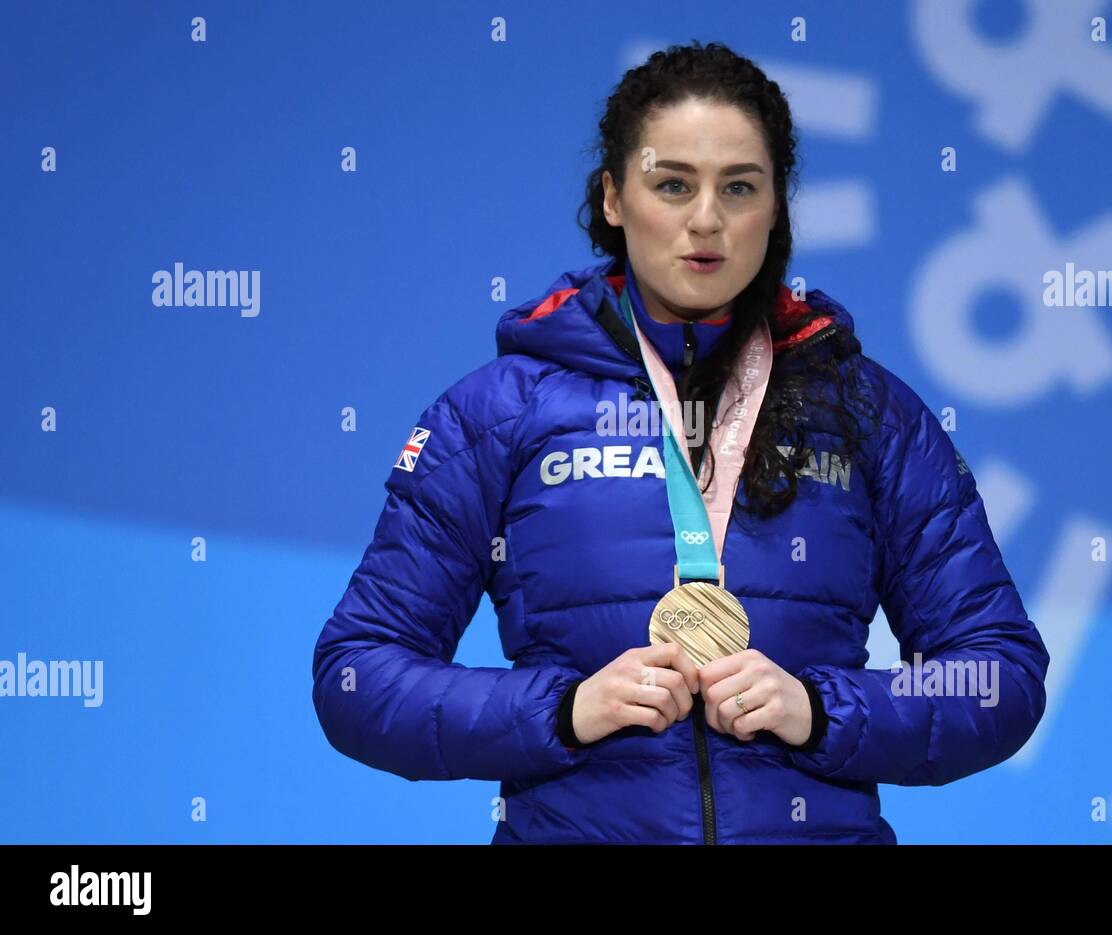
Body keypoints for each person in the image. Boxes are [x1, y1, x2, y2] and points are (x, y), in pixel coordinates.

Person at [311, 40, 1049, 845]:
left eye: (739, 187)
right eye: (672, 185)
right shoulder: (496, 414)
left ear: (777, 207)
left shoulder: (870, 414)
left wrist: (822, 708)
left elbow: (1001, 675)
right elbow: (358, 674)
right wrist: (560, 708)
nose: (707, 220)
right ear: (615, 198)